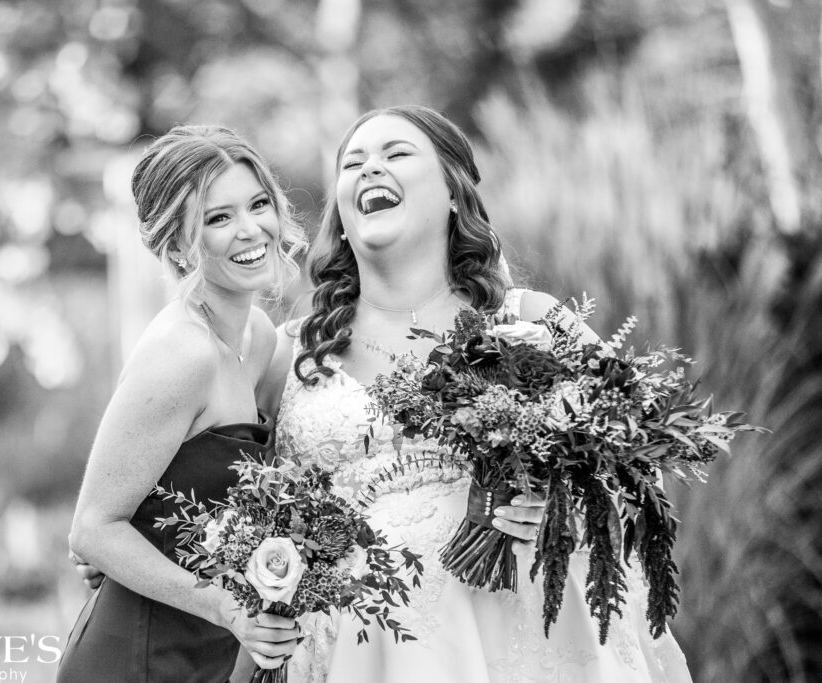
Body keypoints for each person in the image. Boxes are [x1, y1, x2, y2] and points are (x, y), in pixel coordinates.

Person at [262, 105, 693, 682]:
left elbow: (643, 456)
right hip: (361, 654)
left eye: (396, 154)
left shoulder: (533, 322)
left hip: (529, 643)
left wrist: (565, 509)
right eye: (353, 163)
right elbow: (212, 484)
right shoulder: (286, 354)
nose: (369, 170)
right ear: (340, 213)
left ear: (452, 194)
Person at [56, 124, 305, 683]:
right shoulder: (183, 353)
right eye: (218, 218)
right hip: (141, 657)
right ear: (174, 244)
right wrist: (224, 607)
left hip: (212, 654)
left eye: (258, 204)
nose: (251, 230)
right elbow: (93, 530)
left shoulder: (258, 338)